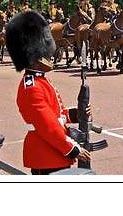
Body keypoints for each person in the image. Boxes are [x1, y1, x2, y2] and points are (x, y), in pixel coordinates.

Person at [5, 10, 91, 174]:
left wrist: (77, 114)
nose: (49, 57)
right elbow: (47, 126)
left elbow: (56, 115)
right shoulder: (31, 87)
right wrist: (72, 148)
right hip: (45, 155)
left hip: (54, 153)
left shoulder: (41, 80)